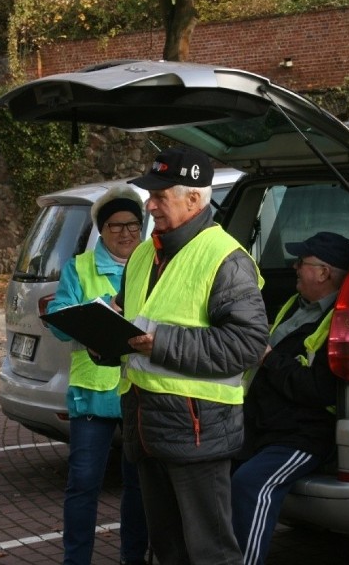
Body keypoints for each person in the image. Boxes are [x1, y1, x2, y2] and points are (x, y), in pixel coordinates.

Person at [103, 146, 269, 565]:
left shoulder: (226, 258)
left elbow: (247, 345)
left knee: (211, 553)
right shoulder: (144, 253)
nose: (150, 204)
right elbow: (131, 324)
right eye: (150, 193)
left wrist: (159, 342)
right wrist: (101, 335)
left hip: (199, 435)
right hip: (148, 429)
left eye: (160, 195)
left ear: (195, 199)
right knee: (169, 551)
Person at [230, 231, 349, 565]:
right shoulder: (296, 305)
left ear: (324, 272)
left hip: (302, 435)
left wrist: (269, 358)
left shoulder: (337, 321)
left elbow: (319, 389)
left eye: (303, 262)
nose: (295, 267)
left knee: (250, 485)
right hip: (262, 426)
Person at [46, 186, 149, 565]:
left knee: (138, 487)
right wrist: (103, 310)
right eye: (116, 225)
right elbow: (58, 321)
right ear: (101, 230)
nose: (125, 233)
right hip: (93, 391)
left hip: (139, 388)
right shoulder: (80, 267)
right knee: (84, 485)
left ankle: (132, 558)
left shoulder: (153, 265)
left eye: (133, 225)